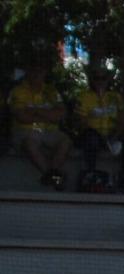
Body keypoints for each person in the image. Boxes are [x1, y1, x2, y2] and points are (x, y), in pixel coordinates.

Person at [75, 66, 124, 193]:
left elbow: (122, 120)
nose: (100, 81)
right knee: (91, 140)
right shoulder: (84, 97)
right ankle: (91, 174)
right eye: (97, 78)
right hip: (93, 133)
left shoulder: (116, 97)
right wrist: (97, 132)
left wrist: (115, 136)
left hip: (112, 134)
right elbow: (80, 122)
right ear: (92, 80)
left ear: (108, 80)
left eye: (103, 78)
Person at [8, 62, 71, 190]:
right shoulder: (18, 91)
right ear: (28, 73)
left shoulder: (51, 91)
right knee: (30, 143)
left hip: (48, 130)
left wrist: (36, 111)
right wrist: (48, 115)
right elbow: (22, 117)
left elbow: (61, 114)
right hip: (26, 130)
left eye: (40, 71)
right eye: (34, 71)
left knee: (65, 141)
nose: (37, 75)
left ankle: (51, 174)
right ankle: (53, 176)